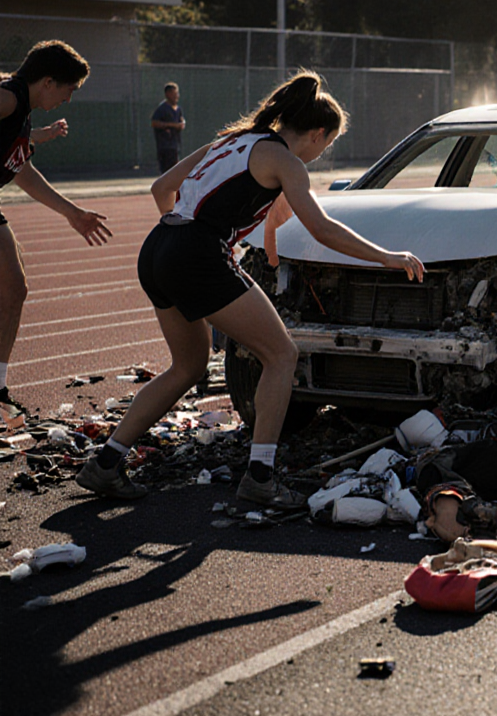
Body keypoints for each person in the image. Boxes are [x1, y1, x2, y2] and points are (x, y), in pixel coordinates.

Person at [75, 72, 426, 504]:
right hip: (196, 253)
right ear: (317, 134)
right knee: (281, 355)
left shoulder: (231, 140)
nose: (322, 154)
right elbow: (322, 229)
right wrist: (388, 257)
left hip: (158, 246)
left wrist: (186, 242)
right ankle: (260, 477)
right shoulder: (286, 163)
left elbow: (161, 188)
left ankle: (106, 462)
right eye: (327, 144)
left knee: (187, 367)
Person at [0, 41, 112, 413]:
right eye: (69, 90)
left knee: (14, 288)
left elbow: (22, 172)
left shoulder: (22, 111)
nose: (68, 99)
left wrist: (72, 213)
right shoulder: (10, 99)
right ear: (48, 81)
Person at [151, 81, 185, 173]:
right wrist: (171, 125)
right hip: (164, 147)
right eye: (174, 94)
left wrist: (182, 123)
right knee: (167, 172)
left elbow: (181, 120)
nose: (176, 96)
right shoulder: (162, 109)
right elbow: (154, 123)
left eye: (177, 93)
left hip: (174, 145)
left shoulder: (178, 109)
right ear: (168, 94)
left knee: (175, 171)